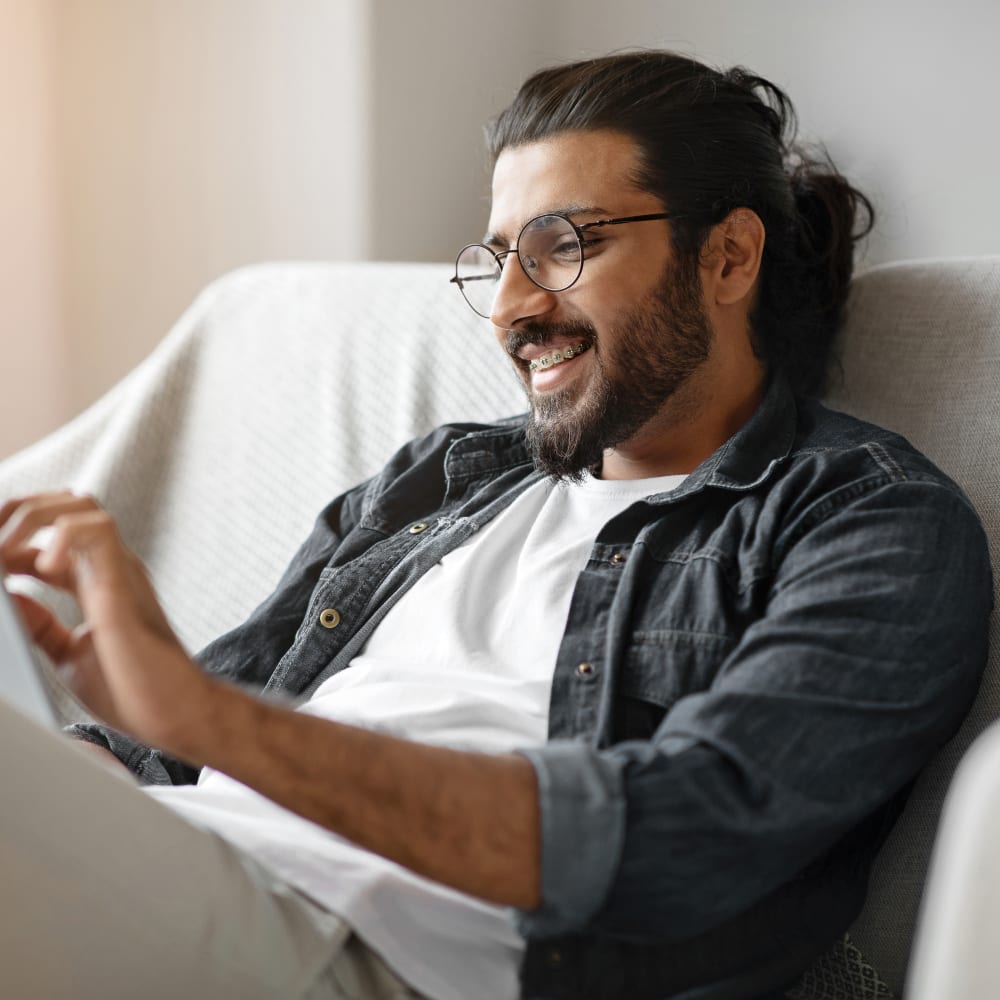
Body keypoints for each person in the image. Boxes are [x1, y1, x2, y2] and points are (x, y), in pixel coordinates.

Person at [0, 50, 992, 1000]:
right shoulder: (442, 477)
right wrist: (76, 743)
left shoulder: (868, 522)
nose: (511, 307)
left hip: (385, 957)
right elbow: (179, 741)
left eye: (564, 247)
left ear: (726, 257)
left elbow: (682, 837)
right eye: (499, 259)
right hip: (193, 866)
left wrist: (197, 718)